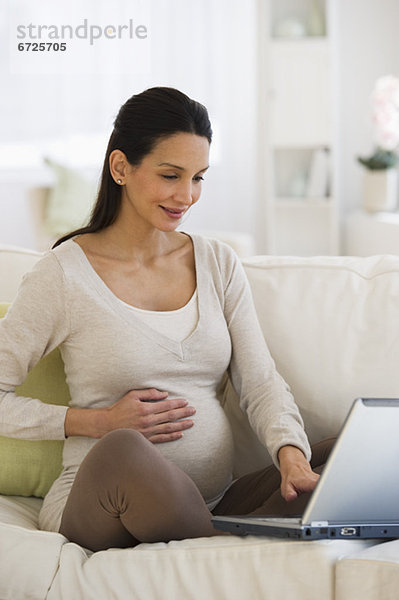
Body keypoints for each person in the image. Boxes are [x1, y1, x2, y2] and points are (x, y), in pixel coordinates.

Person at [0, 87, 333, 552]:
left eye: (199, 177)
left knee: (345, 449)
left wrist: (291, 455)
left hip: (215, 500)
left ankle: (225, 531)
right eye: (170, 175)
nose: (187, 196)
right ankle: (235, 538)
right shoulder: (62, 274)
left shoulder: (218, 262)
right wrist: (98, 423)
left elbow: (259, 381)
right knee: (123, 452)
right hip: (103, 503)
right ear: (121, 168)